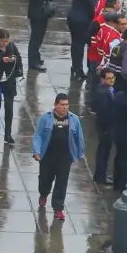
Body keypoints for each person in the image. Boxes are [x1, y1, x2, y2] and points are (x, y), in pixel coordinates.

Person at [30, 93, 83, 221]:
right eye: (62, 105)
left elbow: (79, 137)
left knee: (61, 183)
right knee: (45, 180)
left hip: (65, 158)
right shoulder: (45, 118)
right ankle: (43, 194)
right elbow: (38, 136)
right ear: (55, 105)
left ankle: (58, 209)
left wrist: (80, 154)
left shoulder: (74, 119)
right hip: (47, 156)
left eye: (66, 105)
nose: (65, 107)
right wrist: (36, 151)